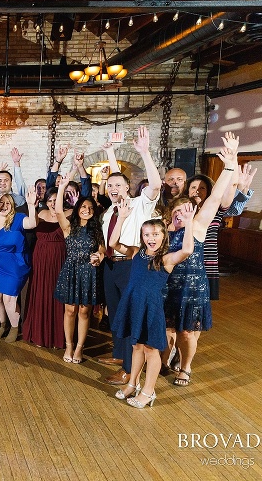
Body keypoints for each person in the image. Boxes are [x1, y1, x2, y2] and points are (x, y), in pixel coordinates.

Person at [164, 133, 239, 387]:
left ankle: (185, 368)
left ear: (194, 211)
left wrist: (229, 165)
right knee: (168, 330)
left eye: (187, 210)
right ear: (171, 212)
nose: (181, 214)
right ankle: (164, 360)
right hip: (169, 286)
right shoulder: (165, 229)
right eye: (178, 210)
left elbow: (216, 197)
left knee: (187, 331)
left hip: (193, 286)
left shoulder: (197, 225)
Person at [109, 201, 196, 408]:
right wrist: (121, 218)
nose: (151, 238)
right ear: (142, 236)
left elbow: (187, 250)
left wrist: (190, 223)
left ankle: (148, 392)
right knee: (135, 346)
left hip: (150, 308)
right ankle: (132, 383)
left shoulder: (166, 259)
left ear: (164, 235)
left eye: (156, 234)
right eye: (147, 234)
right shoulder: (136, 252)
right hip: (133, 304)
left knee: (150, 350)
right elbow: (113, 243)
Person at [98, 127, 163, 386]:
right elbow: (108, 241)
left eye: (119, 185)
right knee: (114, 314)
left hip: (131, 266)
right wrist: (110, 153)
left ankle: (128, 368)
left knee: (129, 315)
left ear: (129, 188)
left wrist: (145, 153)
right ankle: (119, 354)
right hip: (111, 266)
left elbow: (156, 185)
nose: (114, 188)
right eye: (110, 185)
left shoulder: (140, 204)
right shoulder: (108, 212)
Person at [54, 165, 105, 364]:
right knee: (70, 310)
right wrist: (63, 186)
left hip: (89, 272)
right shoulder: (69, 227)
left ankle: (79, 348)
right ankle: (68, 345)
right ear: (78, 209)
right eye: (83, 207)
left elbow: (101, 250)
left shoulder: (96, 229)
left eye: (90, 208)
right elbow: (58, 210)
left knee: (84, 312)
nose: (86, 210)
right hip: (71, 270)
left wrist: (99, 257)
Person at [0, 186, 38, 342]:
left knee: (9, 298)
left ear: (12, 205)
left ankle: (15, 327)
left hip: (16, 263)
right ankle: (3, 324)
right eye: (1, 203)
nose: (4, 206)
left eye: (8, 203)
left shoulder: (18, 218)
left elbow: (33, 224)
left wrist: (30, 204)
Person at [23, 188, 69, 348]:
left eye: (56, 200)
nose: (53, 203)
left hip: (60, 259)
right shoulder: (40, 214)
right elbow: (31, 225)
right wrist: (31, 205)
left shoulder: (69, 213)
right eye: (50, 200)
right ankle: (39, 334)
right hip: (40, 258)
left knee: (58, 294)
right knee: (41, 292)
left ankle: (57, 336)